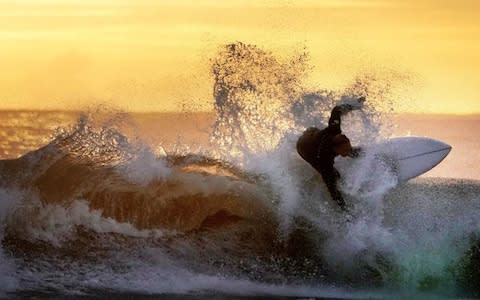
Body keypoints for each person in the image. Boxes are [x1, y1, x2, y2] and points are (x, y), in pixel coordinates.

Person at [296, 97, 365, 211]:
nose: (347, 153)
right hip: (304, 149)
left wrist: (356, 106)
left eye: (348, 148)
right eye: (345, 151)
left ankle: (363, 154)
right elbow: (334, 193)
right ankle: (343, 206)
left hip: (311, 134)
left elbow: (337, 109)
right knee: (334, 177)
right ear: (336, 150)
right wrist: (346, 209)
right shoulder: (324, 161)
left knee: (353, 153)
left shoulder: (335, 130)